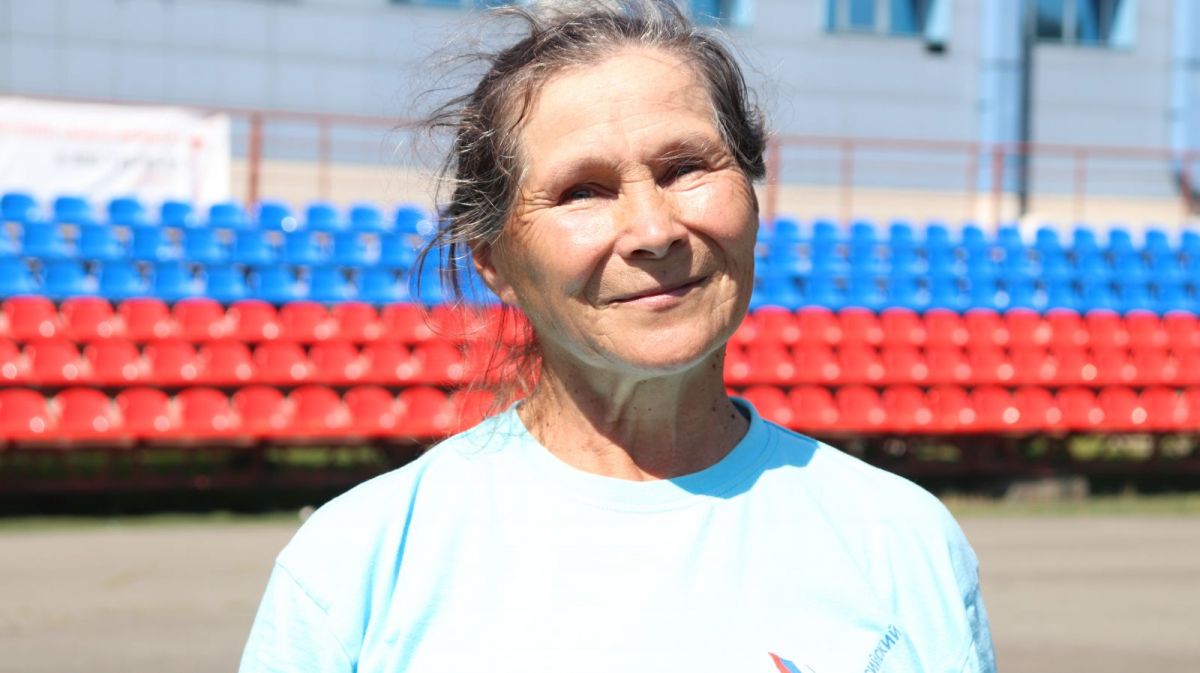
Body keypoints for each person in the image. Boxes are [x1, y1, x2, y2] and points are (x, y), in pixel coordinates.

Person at [239, 2, 996, 672]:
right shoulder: (358, 566)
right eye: (583, 191)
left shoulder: (900, 541)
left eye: (686, 168)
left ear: (753, 199)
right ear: (496, 262)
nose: (654, 230)